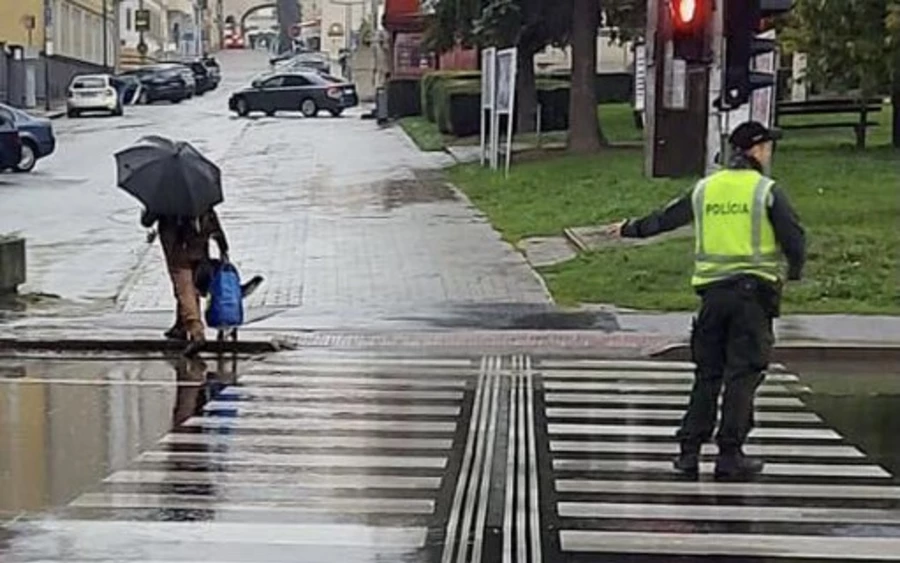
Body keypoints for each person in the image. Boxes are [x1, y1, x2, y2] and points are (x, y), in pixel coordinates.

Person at [605, 121, 806, 482]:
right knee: (742, 375)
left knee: (707, 375)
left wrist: (629, 228)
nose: (770, 153)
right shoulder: (766, 191)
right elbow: (794, 236)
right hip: (751, 298)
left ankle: (688, 452)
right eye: (767, 147)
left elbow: (667, 218)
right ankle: (730, 454)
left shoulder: (705, 189)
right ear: (756, 150)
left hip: (712, 298)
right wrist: (794, 272)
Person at [141, 208, 229, 344]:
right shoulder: (200, 197)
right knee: (190, 287)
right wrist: (223, 247)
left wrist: (146, 213)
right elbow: (213, 221)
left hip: (178, 250)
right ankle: (180, 326)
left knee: (185, 289)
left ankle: (196, 331)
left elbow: (147, 221)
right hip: (199, 249)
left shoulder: (165, 198)